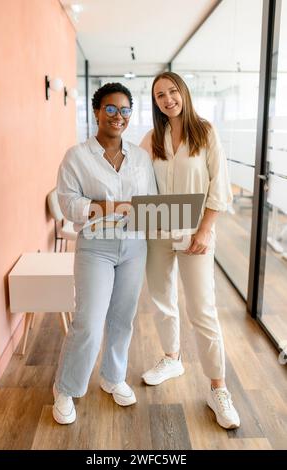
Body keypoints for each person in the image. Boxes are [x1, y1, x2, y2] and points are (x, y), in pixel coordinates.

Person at [140, 72, 240, 430]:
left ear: (184, 92)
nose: (167, 99)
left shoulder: (206, 132)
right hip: (158, 231)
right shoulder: (152, 138)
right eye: (160, 95)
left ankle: (218, 388)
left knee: (202, 309)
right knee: (161, 298)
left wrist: (205, 230)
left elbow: (219, 186)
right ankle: (172, 358)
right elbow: (136, 180)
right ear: (155, 102)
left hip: (196, 231)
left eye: (172, 91)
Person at [53, 82, 157, 424]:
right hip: (95, 246)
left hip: (134, 246)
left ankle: (113, 377)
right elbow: (68, 204)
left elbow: (150, 203)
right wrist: (110, 206)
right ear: (97, 112)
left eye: (125, 110)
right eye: (110, 109)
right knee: (89, 323)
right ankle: (66, 388)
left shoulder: (141, 157)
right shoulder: (77, 156)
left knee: (122, 319)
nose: (118, 116)